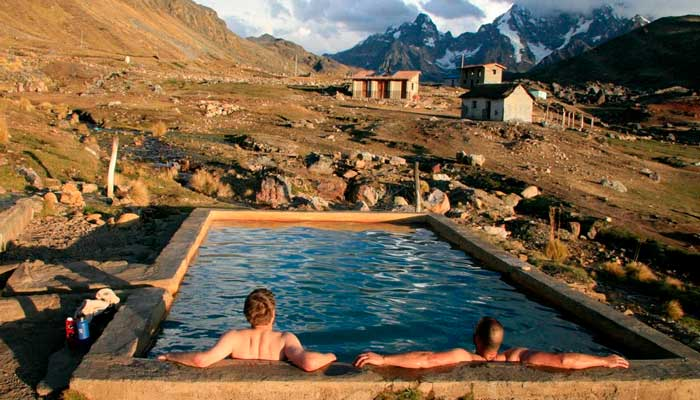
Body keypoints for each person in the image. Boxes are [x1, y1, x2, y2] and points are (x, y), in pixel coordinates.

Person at [158, 288, 336, 372]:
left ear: (246, 314)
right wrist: (331, 356)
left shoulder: (234, 338)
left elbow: (201, 360)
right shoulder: (284, 339)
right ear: (273, 314)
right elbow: (309, 363)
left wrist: (170, 355)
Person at [354, 317, 629, 370]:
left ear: (476, 339)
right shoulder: (519, 355)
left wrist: (385, 359)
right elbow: (564, 361)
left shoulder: (464, 356)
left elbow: (427, 359)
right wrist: (604, 361)